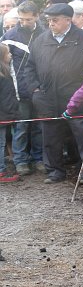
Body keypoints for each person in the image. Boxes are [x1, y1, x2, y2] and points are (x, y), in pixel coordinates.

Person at [23, 3, 83, 184]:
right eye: (49, 20)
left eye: (55, 20)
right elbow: (29, 68)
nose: (51, 24)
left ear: (68, 20)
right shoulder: (40, 41)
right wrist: (35, 90)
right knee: (50, 137)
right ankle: (54, 171)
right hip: (47, 97)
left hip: (77, 97)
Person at [1, 1, 45, 175]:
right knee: (21, 127)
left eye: (28, 19)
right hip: (19, 89)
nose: (24, 22)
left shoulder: (45, 33)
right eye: (21, 19)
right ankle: (20, 160)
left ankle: (38, 158)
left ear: (36, 16)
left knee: (39, 126)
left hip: (40, 88)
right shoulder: (10, 35)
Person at [0, 43, 20, 182]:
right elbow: (7, 99)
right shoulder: (3, 76)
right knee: (0, 143)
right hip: (2, 116)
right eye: (8, 53)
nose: (11, 55)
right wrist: (12, 115)